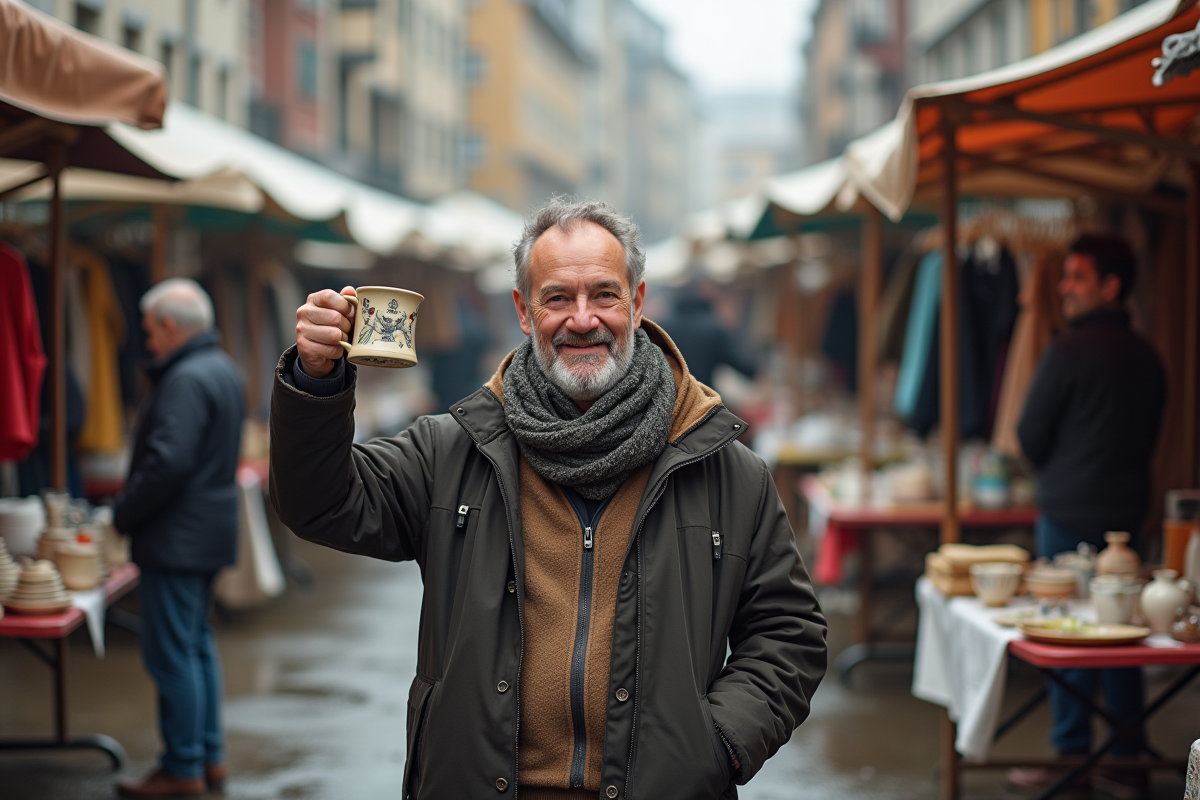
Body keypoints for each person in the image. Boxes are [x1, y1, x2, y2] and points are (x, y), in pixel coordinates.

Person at [270, 198, 828, 799]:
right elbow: (320, 503)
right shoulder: (453, 450)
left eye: (605, 296)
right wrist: (315, 381)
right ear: (523, 311)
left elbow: (789, 633)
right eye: (557, 297)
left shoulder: (725, 471)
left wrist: (712, 744)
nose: (582, 319)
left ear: (637, 304)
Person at [1011, 234, 1166, 797]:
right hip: (1130, 512)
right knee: (1125, 635)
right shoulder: (1149, 355)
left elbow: (1029, 434)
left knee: (1067, 636)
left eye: (1076, 277)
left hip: (1068, 514)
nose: (1063, 287)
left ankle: (1072, 758)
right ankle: (1128, 760)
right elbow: (1151, 434)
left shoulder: (1067, 351)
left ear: (1111, 286)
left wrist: (1060, 467)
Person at [115, 279, 245, 798]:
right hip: (206, 531)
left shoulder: (186, 377)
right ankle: (206, 759)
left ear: (169, 326)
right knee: (194, 646)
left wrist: (124, 512)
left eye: (149, 331)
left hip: (177, 536)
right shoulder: (221, 368)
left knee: (172, 655)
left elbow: (167, 462)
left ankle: (182, 768)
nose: (147, 342)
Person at [657, 286, 756, 388]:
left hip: (668, 394)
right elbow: (739, 363)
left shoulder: (662, 326)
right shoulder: (714, 328)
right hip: (701, 395)